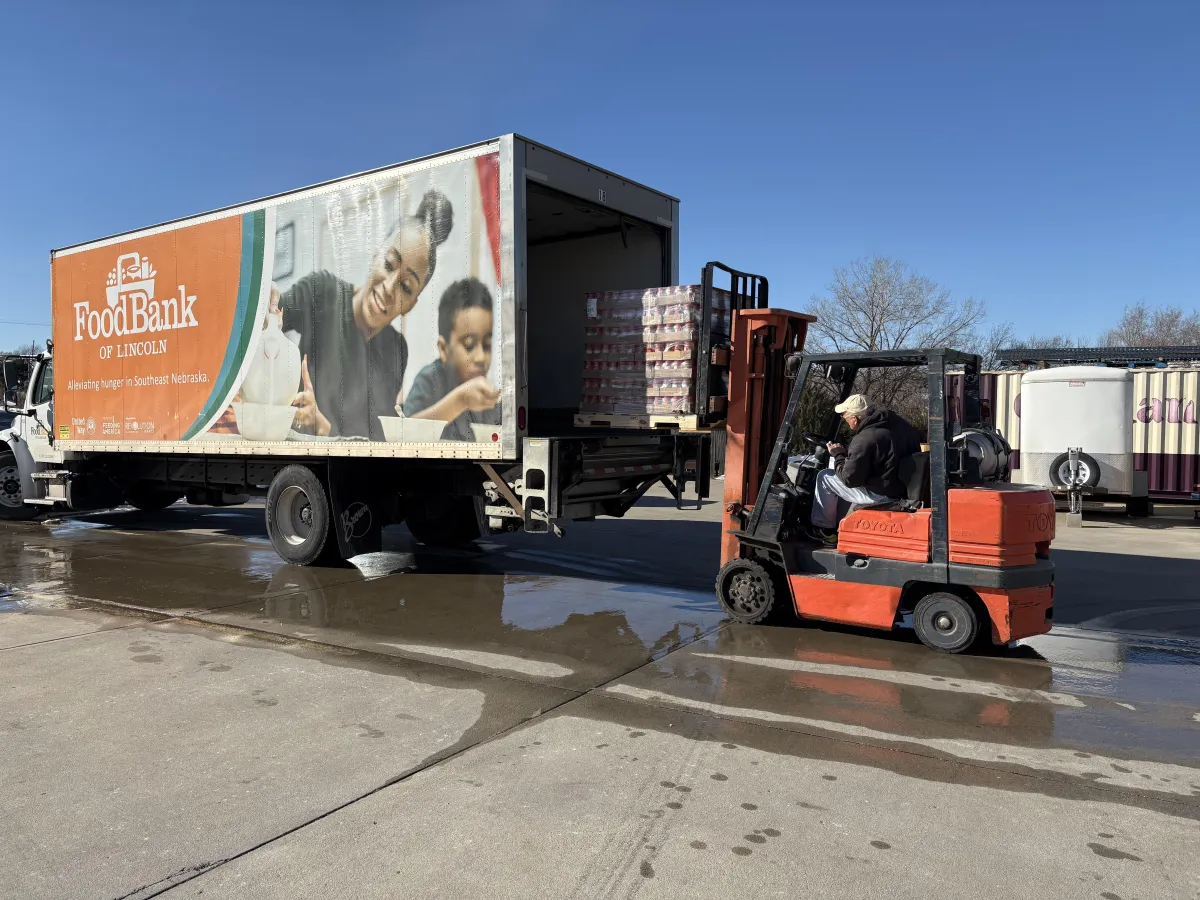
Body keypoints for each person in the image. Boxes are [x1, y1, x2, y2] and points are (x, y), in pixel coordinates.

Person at [276, 188, 453, 440]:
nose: (390, 288)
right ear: (375, 256)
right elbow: (266, 322)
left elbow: (371, 438)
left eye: (406, 287)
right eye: (389, 264)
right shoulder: (323, 292)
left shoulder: (397, 349)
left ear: (413, 303)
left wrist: (324, 427)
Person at [402, 277, 500, 441]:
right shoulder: (429, 381)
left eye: (487, 345)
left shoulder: (488, 399)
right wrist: (460, 401)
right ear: (443, 349)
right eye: (469, 345)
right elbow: (404, 435)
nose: (481, 357)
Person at [809, 393, 922, 535]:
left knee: (825, 477)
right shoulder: (903, 427)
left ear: (854, 419)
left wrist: (838, 455)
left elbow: (849, 479)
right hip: (901, 488)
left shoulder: (864, 439)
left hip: (882, 494)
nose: (845, 421)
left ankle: (824, 530)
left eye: (845, 417)